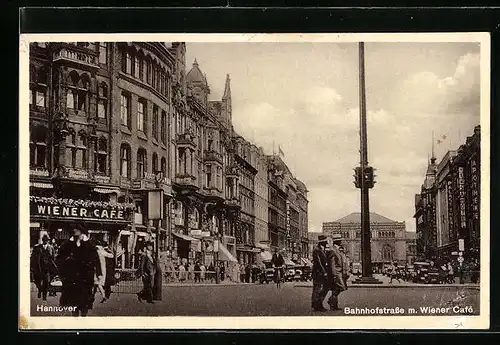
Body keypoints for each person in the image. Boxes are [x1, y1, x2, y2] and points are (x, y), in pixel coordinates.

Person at [57, 225, 102, 316]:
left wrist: (99, 273)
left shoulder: (89, 245)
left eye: (76, 229)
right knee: (74, 300)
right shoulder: (69, 244)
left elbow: (96, 259)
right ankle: (75, 316)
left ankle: (83, 315)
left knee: (85, 299)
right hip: (73, 277)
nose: (74, 230)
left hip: (86, 277)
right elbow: (60, 255)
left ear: (81, 231)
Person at [31, 234, 57, 300]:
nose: (45, 241)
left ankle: (44, 297)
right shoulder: (37, 247)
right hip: (39, 267)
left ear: (48, 240)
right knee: (37, 281)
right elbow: (33, 257)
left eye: (47, 240)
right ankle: (40, 289)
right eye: (44, 240)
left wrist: (52, 265)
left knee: (46, 282)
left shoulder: (51, 248)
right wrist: (32, 266)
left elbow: (53, 257)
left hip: (47, 268)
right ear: (42, 240)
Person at [325, 234, 346, 311]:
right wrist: (334, 274)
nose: (341, 242)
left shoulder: (337, 250)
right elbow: (332, 263)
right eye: (340, 240)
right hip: (336, 273)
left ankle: (334, 305)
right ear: (337, 241)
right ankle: (331, 301)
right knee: (339, 288)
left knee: (336, 289)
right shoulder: (332, 250)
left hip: (338, 272)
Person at [311, 235, 329, 312]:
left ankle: (317, 304)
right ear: (322, 242)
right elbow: (318, 262)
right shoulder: (317, 250)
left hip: (320, 272)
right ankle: (317, 306)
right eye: (325, 241)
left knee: (319, 288)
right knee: (317, 289)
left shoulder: (321, 249)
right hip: (318, 272)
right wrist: (324, 271)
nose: (327, 242)